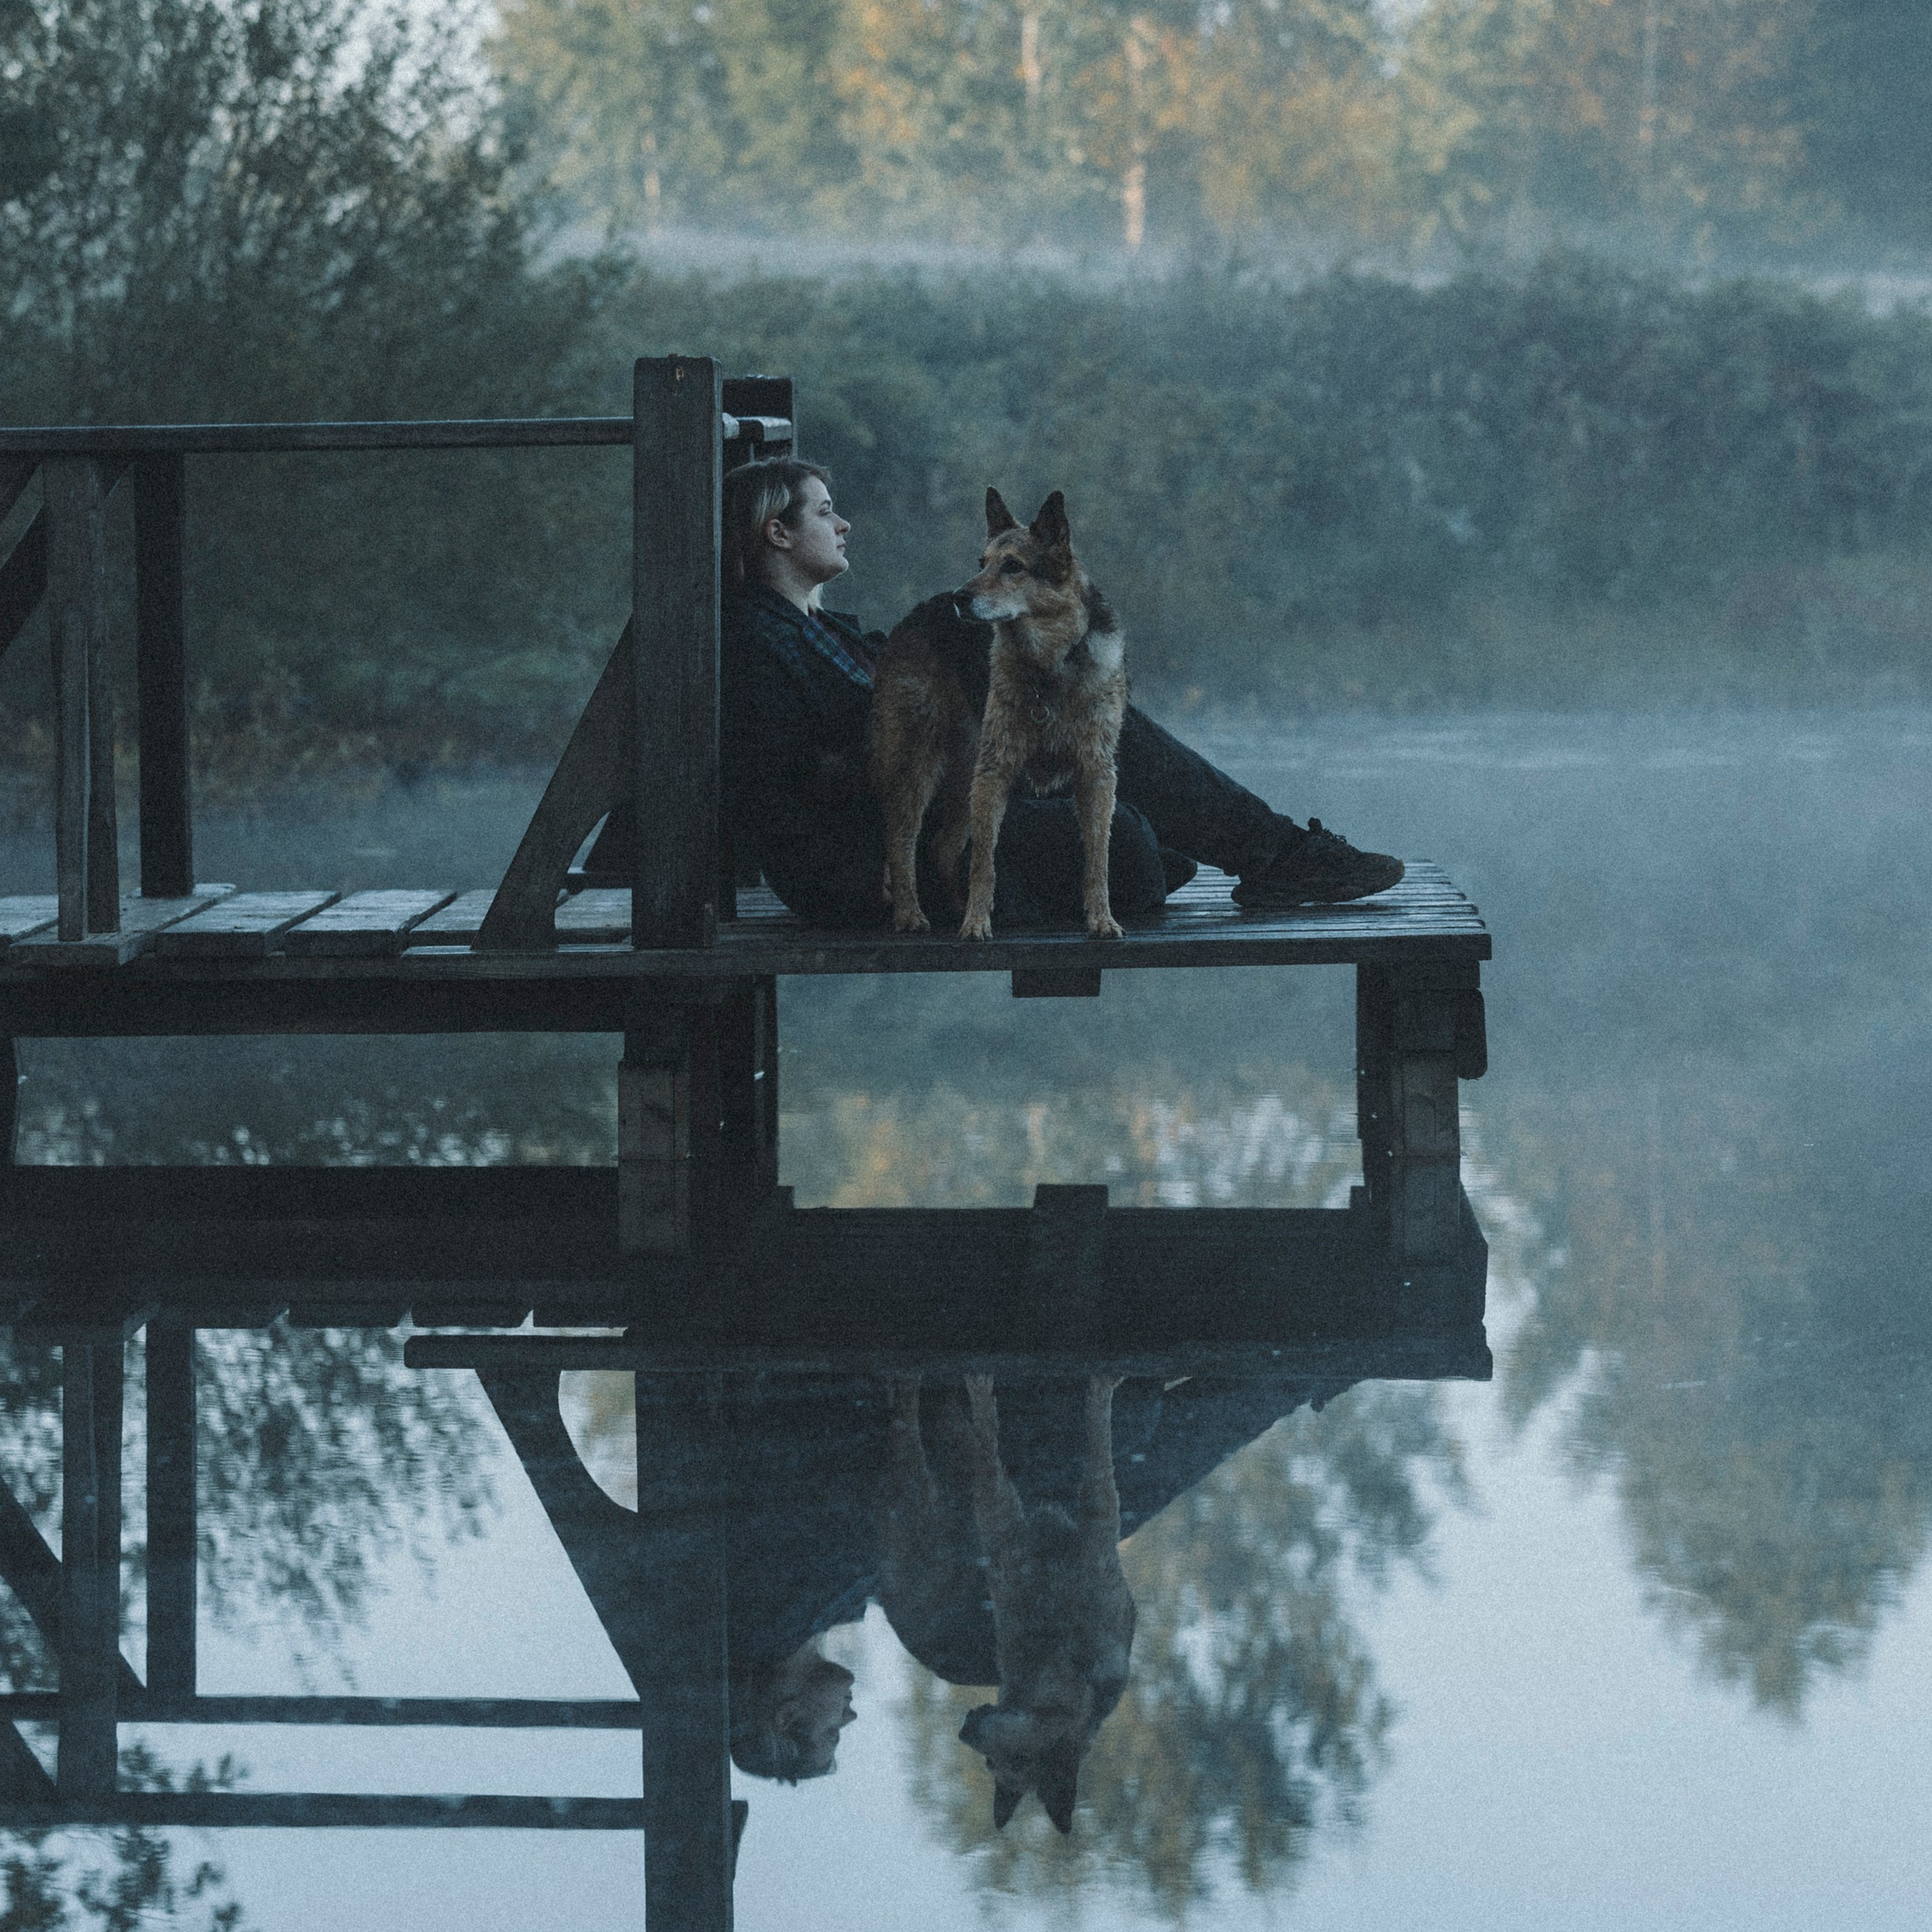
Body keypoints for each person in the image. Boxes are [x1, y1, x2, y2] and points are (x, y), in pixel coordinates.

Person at [590, 457, 1404, 926]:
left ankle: (1267, 854)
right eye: (826, 513)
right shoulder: (753, 640)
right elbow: (787, 783)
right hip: (878, 862)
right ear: (777, 532)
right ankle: (1266, 855)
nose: (844, 527)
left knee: (1082, 721)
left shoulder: (827, 631)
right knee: (1124, 836)